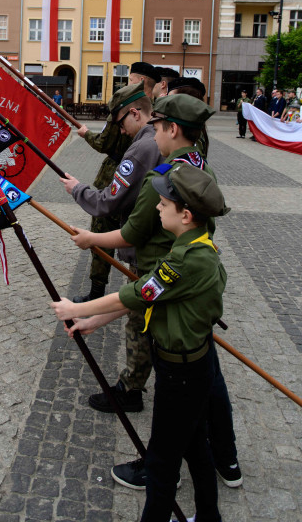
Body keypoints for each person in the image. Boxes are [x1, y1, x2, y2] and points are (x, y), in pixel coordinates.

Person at [67, 94, 242, 488]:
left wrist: (90, 243)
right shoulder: (202, 166)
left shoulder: (165, 176)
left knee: (173, 385)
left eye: (158, 127)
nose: (153, 133)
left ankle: (161, 468)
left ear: (172, 129)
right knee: (206, 377)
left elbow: (133, 234)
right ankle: (225, 458)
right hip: (193, 284)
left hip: (165, 280)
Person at [52, 164, 230, 522]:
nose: (158, 207)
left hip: (181, 373)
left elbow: (135, 293)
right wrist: (92, 321)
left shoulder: (186, 260)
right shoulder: (193, 243)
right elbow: (147, 297)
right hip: (192, 366)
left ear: (187, 214)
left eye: (164, 203)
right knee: (195, 446)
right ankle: (209, 517)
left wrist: (76, 307)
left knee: (161, 462)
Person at [61, 83, 161, 412]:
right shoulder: (158, 141)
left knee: (139, 317)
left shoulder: (142, 148)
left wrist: (77, 189)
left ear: (135, 113)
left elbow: (108, 201)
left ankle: (131, 389)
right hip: (154, 246)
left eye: (120, 122)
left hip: (150, 250)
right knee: (142, 309)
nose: (119, 129)